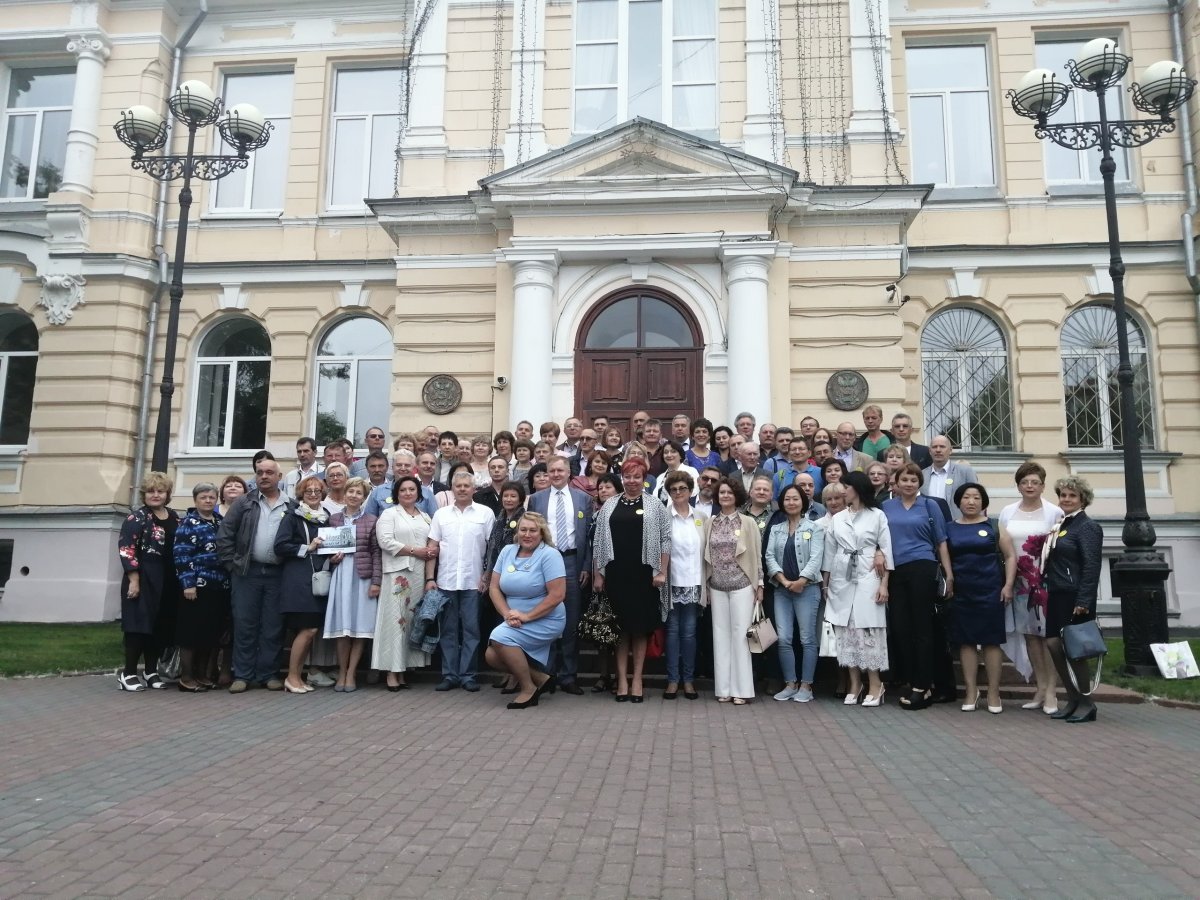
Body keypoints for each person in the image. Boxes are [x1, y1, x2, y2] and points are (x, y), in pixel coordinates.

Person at [591, 457, 671, 702]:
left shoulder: (655, 505)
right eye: (628, 476)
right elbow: (598, 542)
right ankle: (622, 680)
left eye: (637, 477)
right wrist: (598, 574)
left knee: (639, 630)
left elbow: (665, 540)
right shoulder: (610, 504)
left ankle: (637, 679)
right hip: (616, 574)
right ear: (622, 478)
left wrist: (662, 572)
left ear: (644, 478)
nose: (632, 481)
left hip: (643, 575)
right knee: (620, 630)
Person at [217, 457, 294, 693]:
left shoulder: (291, 505)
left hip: (278, 574)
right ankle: (242, 674)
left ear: (279, 477)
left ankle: (268, 674)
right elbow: (225, 535)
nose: (264, 476)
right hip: (246, 573)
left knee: (273, 626)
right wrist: (232, 564)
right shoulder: (244, 503)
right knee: (244, 623)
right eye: (260, 472)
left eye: (269, 472)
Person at [881, 462, 954, 710]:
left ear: (918, 483)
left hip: (923, 566)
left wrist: (949, 574)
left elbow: (941, 542)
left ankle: (922, 687)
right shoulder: (886, 506)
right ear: (897, 483)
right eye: (904, 480)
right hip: (895, 570)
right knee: (901, 629)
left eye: (913, 480)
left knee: (923, 629)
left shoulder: (930, 505)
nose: (909, 484)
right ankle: (913, 681)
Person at [822, 471, 893, 708]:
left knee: (868, 629)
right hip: (841, 576)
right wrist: (826, 581)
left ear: (857, 488)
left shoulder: (877, 515)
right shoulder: (838, 518)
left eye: (846, 486)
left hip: (869, 573)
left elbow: (886, 548)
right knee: (846, 629)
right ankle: (855, 683)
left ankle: (875, 683)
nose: (842, 491)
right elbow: (830, 552)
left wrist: (884, 584)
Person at [997, 462, 1063, 714]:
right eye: (1025, 482)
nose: (1030, 486)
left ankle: (1051, 692)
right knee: (1030, 636)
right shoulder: (1008, 512)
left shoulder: (1054, 512)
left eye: (1035, 482)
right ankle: (1040, 685)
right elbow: (1004, 546)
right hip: (1020, 581)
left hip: (1045, 581)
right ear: (1018, 486)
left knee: (1048, 636)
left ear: (1043, 486)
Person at [485, 513, 566, 709]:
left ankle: (528, 689)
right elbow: (494, 588)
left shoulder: (550, 554)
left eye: (532, 530)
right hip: (514, 618)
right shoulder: (507, 551)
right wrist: (507, 614)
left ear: (542, 533)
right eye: (523, 530)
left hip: (546, 618)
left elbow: (557, 595)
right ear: (517, 532)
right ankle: (541, 678)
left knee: (499, 637)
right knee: (491, 656)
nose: (527, 534)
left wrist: (527, 616)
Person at [425, 470, 497, 692]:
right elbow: (432, 548)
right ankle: (449, 675)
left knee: (472, 630)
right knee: (447, 631)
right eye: (459, 486)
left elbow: (492, 550)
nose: (463, 489)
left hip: (473, 582)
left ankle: (468, 675)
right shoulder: (441, 515)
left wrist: (486, 576)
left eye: (467, 485)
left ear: (473, 489)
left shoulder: (485, 514)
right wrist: (430, 578)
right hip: (445, 581)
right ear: (452, 489)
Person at [947, 483, 1016, 713]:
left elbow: (1010, 555)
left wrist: (1008, 585)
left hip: (990, 589)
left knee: (990, 641)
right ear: (958, 502)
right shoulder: (949, 528)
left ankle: (993, 692)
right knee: (966, 642)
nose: (971, 501)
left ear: (983, 502)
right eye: (966, 497)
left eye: (976, 497)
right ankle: (970, 690)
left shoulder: (994, 525)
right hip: (961, 591)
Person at [527, 456, 593, 693]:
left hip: (572, 562)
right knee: (544, 617)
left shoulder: (583, 499)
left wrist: (586, 566)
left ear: (569, 473)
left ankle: (568, 676)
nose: (555, 474)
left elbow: (588, 537)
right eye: (551, 471)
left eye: (559, 470)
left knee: (571, 621)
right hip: (545, 563)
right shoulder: (536, 499)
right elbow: (531, 535)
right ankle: (547, 675)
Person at [1043, 476, 1104, 724]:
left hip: (1075, 596)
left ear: (1083, 500)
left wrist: (1085, 600)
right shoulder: (1063, 524)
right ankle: (1072, 698)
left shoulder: (1087, 526)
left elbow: (1092, 566)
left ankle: (1087, 702)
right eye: (1063, 495)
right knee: (1054, 645)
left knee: (1075, 649)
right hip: (1058, 593)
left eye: (1072, 496)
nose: (1066, 499)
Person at [117, 471, 181, 692]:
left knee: (159, 626)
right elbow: (127, 550)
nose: (155, 495)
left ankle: (151, 671)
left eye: (160, 491)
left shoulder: (175, 517)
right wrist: (134, 580)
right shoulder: (137, 518)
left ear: (167, 494)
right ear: (144, 494)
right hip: (143, 576)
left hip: (168, 579)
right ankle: (128, 673)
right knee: (138, 626)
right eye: (151, 491)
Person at [703, 476, 763, 705]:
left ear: (736, 496)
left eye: (729, 492)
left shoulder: (748, 523)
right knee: (720, 637)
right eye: (721, 493)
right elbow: (705, 559)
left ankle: (742, 690)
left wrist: (760, 586)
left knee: (740, 637)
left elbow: (757, 557)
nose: (725, 496)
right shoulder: (711, 523)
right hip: (717, 585)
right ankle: (724, 688)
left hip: (742, 585)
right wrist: (706, 588)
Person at [764, 484, 826, 703]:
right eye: (787, 499)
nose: (791, 503)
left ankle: (806, 685)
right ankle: (790, 683)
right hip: (782, 590)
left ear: (803, 502)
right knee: (784, 638)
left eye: (796, 499)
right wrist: (782, 580)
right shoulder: (776, 528)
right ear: (782, 503)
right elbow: (769, 557)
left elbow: (816, 557)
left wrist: (801, 581)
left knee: (808, 638)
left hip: (807, 590)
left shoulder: (815, 527)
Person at [373, 475, 435, 689]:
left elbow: (431, 543)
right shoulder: (390, 514)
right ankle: (391, 672)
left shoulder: (425, 516)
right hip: (398, 572)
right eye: (403, 490)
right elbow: (385, 541)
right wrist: (414, 550)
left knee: (410, 622)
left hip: (418, 573)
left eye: (412, 489)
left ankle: (403, 670)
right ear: (396, 494)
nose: (408, 493)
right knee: (395, 621)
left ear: (418, 492)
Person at [323, 477, 382, 692]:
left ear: (364, 497)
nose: (354, 496)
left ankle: (351, 673)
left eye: (359, 493)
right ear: (345, 494)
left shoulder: (372, 520)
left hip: (362, 576)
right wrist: (331, 559)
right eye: (351, 492)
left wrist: (376, 581)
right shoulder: (334, 520)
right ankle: (341, 671)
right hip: (341, 575)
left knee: (360, 627)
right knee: (343, 627)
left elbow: (376, 553)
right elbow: (326, 549)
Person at [274, 476, 330, 693]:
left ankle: (298, 676)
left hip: (318, 579)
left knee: (311, 630)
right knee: (307, 629)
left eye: (317, 491)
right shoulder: (292, 516)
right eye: (309, 491)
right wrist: (306, 547)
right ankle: (291, 677)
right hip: (298, 579)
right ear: (301, 494)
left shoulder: (325, 518)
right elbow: (280, 546)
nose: (314, 494)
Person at [173, 482, 228, 692]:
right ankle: (186, 677)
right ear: (196, 500)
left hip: (219, 585)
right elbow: (181, 554)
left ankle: (202, 675)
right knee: (191, 634)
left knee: (209, 633)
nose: (207, 501)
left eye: (211, 497)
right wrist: (188, 584)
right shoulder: (188, 523)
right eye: (203, 497)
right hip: (196, 586)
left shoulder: (220, 522)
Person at [663, 469, 708, 700]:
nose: (678, 492)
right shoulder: (663, 516)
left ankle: (688, 681)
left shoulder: (701, 517)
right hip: (671, 582)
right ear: (669, 492)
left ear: (691, 491)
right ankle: (672, 681)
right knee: (671, 632)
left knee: (689, 633)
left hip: (694, 582)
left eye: (683, 488)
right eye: (674, 489)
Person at [921, 435, 978, 522]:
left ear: (950, 450)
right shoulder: (922, 474)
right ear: (930, 451)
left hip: (958, 525)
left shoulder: (965, 472)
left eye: (942, 447)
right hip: (928, 525)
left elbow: (976, 499)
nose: (938, 450)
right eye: (934, 447)